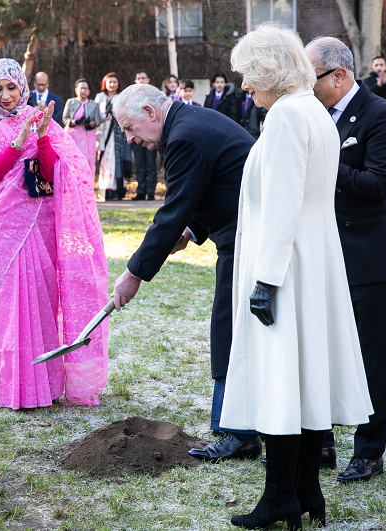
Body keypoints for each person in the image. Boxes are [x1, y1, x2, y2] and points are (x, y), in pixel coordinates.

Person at [220, 24, 373, 530]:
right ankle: (306, 492)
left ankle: (282, 496)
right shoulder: (312, 109)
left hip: (285, 267)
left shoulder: (287, 115)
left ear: (269, 72)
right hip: (310, 261)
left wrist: (265, 279)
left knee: (283, 381)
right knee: (305, 381)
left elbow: (283, 202)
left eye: (248, 75)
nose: (243, 86)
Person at [106, 83, 258, 463]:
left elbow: (173, 209)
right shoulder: (187, 124)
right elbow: (213, 186)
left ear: (150, 112)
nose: (129, 138)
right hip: (244, 231)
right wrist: (190, 231)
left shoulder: (185, 136)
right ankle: (243, 427)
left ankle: (237, 432)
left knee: (230, 327)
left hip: (250, 236)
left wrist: (134, 273)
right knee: (234, 326)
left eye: (129, 127)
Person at [0, 59, 109, 409]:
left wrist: (42, 135)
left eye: (11, 87)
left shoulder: (36, 117)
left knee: (42, 301)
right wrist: (18, 140)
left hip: (38, 221)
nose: (5, 95)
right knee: (6, 304)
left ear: (22, 87)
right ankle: (9, 387)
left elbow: (47, 171)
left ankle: (43, 388)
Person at [306, 36, 386, 483]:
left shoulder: (383, 115)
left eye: (309, 78)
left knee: (371, 357)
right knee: (322, 351)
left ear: (339, 75)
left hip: (369, 257)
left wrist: (322, 162)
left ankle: (369, 450)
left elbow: (379, 185)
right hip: (323, 253)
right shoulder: (312, 114)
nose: (303, 86)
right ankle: (323, 442)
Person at [96, 73, 132, 201]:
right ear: (104, 83)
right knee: (104, 162)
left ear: (118, 84)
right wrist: (103, 116)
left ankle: (117, 190)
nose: (112, 84)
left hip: (117, 135)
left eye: (114, 82)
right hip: (102, 133)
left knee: (115, 160)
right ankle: (104, 190)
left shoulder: (121, 98)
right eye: (109, 82)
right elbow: (95, 115)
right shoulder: (99, 97)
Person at [62, 78, 101, 170]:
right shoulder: (70, 102)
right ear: (76, 90)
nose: (83, 91)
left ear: (89, 91)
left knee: (89, 160)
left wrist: (92, 123)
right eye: (81, 88)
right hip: (73, 134)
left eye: (85, 88)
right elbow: (65, 118)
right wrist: (72, 122)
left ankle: (87, 184)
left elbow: (97, 120)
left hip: (88, 135)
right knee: (72, 159)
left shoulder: (94, 104)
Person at [131, 69, 158, 200]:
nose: (141, 80)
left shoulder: (154, 95)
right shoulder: (130, 97)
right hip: (137, 135)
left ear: (148, 80)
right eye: (139, 78)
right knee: (140, 164)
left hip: (151, 135)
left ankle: (151, 192)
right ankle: (141, 191)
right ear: (135, 81)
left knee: (151, 164)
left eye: (143, 78)